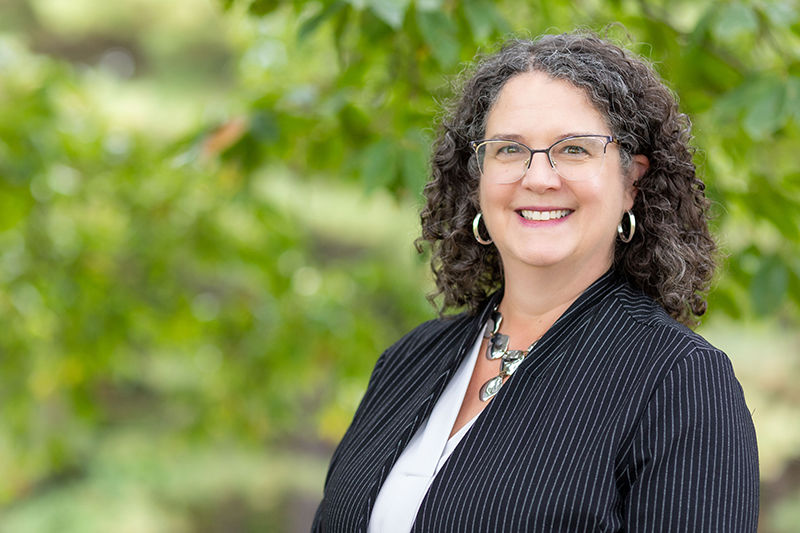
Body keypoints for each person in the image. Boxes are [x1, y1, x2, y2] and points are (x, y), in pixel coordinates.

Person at [312, 32, 759, 532]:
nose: (539, 177)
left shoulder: (679, 381)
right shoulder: (407, 361)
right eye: (509, 150)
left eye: (573, 149)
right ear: (477, 178)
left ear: (630, 182)